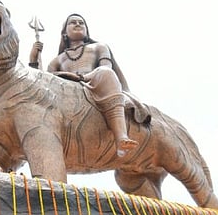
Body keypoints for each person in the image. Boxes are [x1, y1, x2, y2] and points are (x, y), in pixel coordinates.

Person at [29, 13, 138, 157]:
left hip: (96, 84)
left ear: (87, 31)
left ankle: (121, 137)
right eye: (73, 22)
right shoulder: (56, 61)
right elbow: (42, 82)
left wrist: (81, 77)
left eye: (81, 22)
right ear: (65, 33)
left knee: (106, 73)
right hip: (66, 90)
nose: (78, 24)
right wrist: (33, 58)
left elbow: (107, 69)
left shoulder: (99, 48)